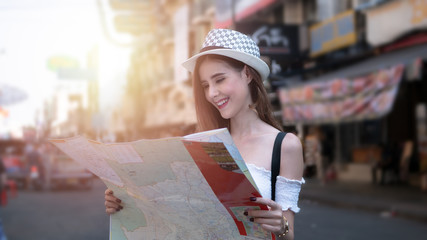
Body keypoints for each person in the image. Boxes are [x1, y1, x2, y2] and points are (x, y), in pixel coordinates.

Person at [104, 29, 304, 239]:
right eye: (205, 85)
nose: (211, 93)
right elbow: (170, 211)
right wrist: (124, 202)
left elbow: (288, 233)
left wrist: (282, 227)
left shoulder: (284, 146)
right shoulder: (198, 144)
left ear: (247, 74)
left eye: (219, 79)